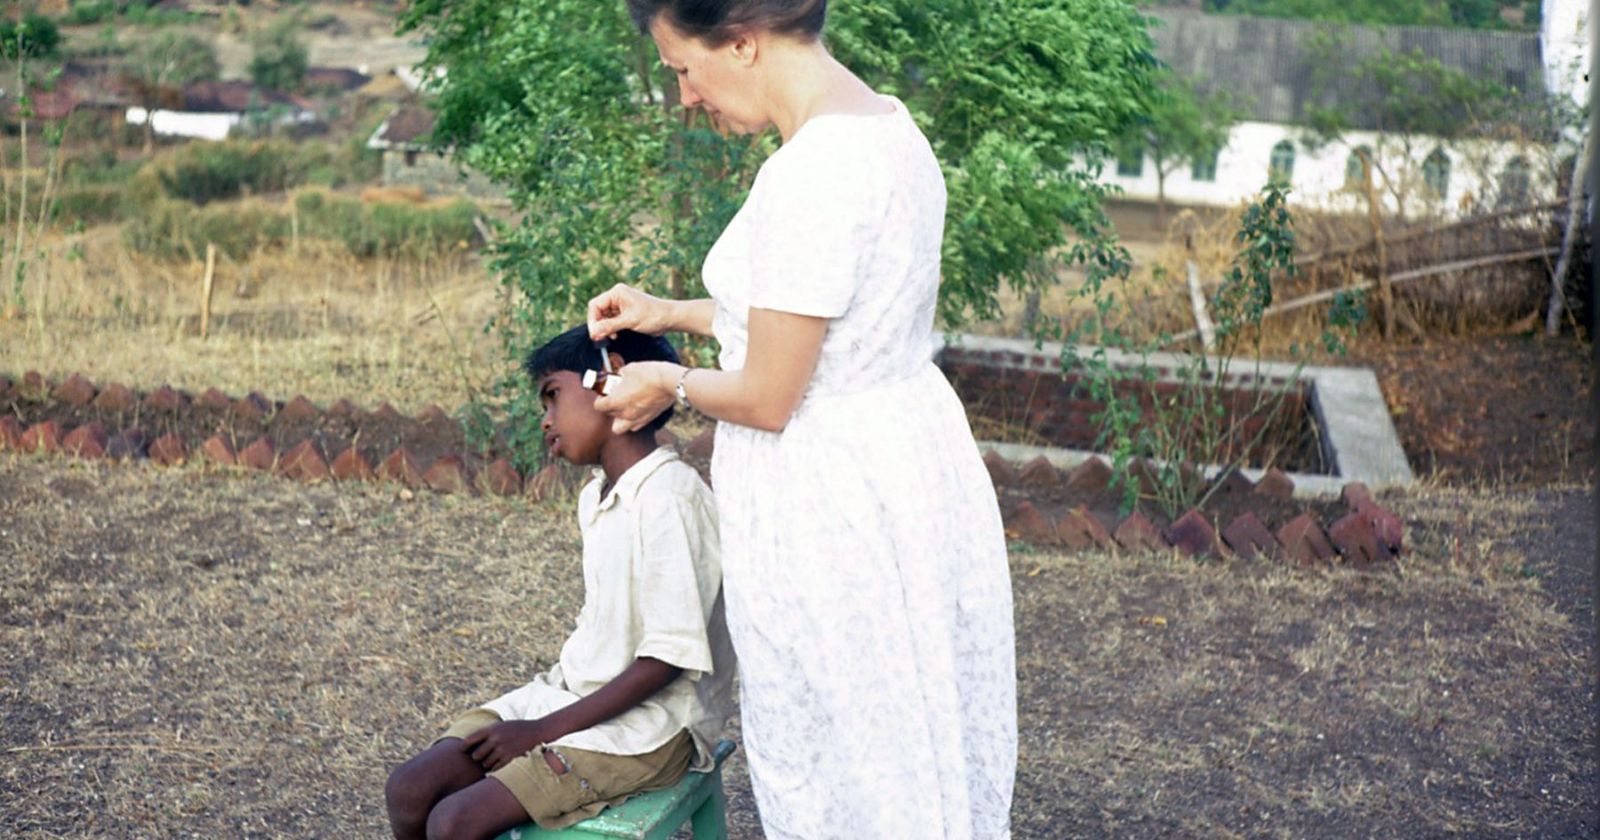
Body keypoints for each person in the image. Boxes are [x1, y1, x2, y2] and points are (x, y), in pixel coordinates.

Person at [585, 1, 1017, 837]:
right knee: (905, 725)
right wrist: (671, 308)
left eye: (682, 69)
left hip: (834, 500)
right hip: (903, 460)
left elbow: (768, 396)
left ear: (742, 43)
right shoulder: (885, 127)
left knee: (848, 748)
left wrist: (667, 382)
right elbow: (815, 312)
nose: (685, 97)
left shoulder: (812, 170)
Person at [383, 326, 734, 840]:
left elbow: (667, 659)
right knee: (410, 790)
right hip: (573, 698)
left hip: (654, 729)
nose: (546, 420)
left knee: (454, 823)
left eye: (553, 396)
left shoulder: (671, 496)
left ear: (612, 377)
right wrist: (543, 719)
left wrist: (540, 733)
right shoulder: (597, 496)